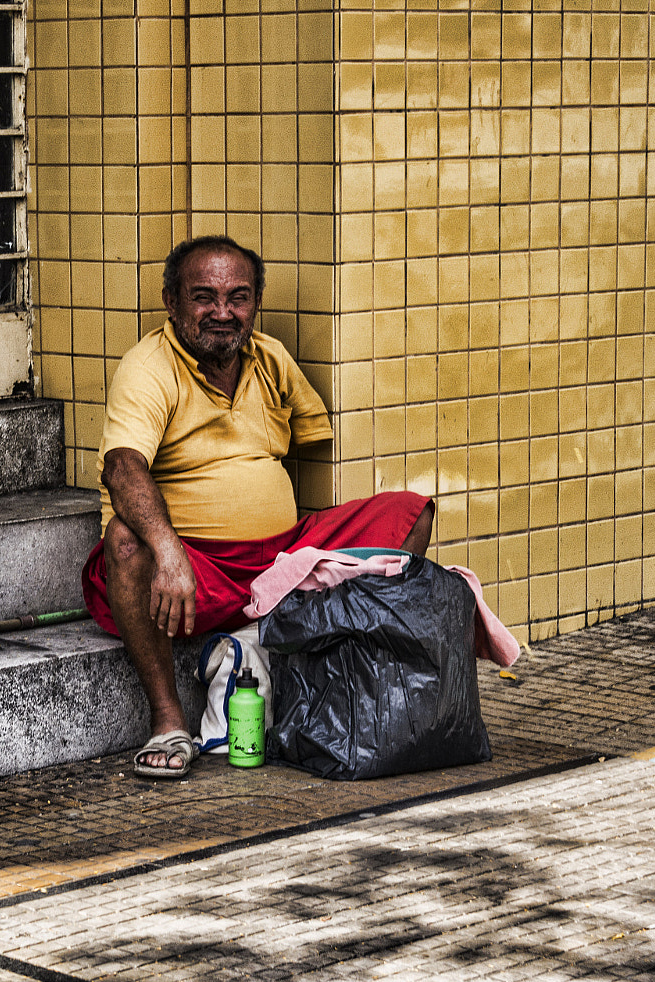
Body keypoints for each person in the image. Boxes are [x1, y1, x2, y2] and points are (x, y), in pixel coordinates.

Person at [80, 236, 435, 778]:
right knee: (125, 544)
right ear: (171, 301)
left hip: (280, 561)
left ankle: (339, 673)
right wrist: (169, 552)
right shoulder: (148, 365)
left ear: (256, 302)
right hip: (198, 570)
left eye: (238, 297)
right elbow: (122, 467)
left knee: (409, 513)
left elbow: (310, 442)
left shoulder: (270, 358)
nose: (222, 313)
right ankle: (169, 720)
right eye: (204, 297)